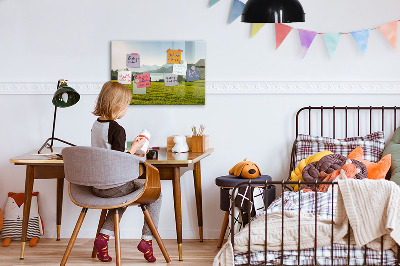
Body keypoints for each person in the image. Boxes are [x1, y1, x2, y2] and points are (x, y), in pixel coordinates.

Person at [91, 81, 161, 263]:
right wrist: (135, 149)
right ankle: (147, 240)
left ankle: (103, 238)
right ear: (118, 105)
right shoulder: (117, 129)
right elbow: (118, 161)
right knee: (156, 194)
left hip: (97, 186)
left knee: (122, 198)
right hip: (114, 186)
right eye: (127, 104)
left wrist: (130, 149)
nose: (127, 109)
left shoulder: (96, 125)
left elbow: (108, 154)